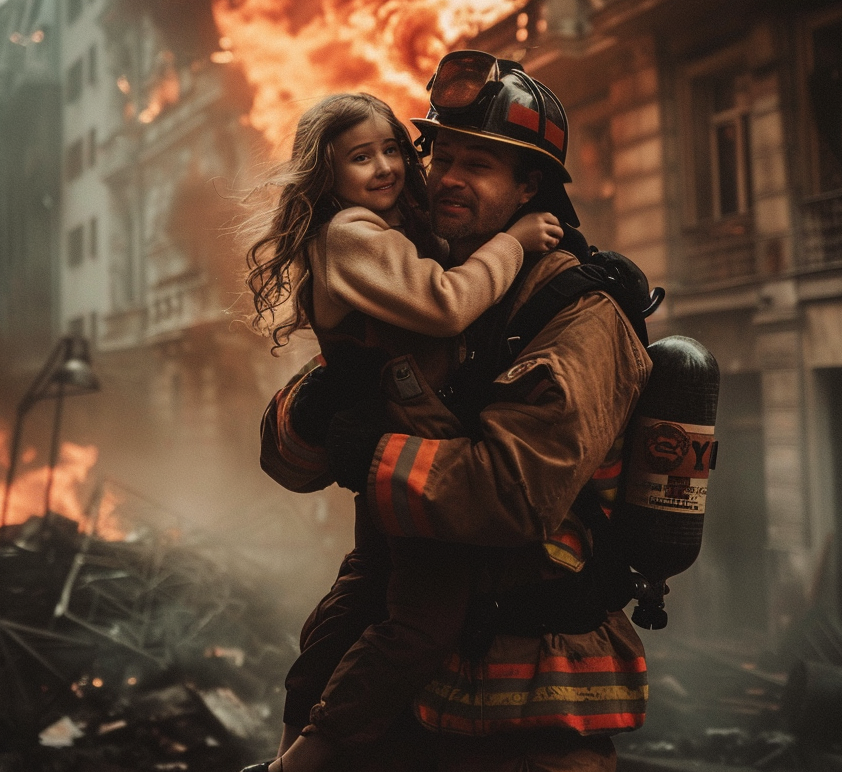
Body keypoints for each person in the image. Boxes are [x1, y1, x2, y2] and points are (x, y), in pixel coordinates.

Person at [263, 52, 654, 772]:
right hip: (412, 704)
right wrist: (321, 404)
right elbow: (297, 458)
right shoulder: (436, 282)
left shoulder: (579, 314)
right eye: (441, 155)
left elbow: (512, 493)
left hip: (530, 709)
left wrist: (372, 452)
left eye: (478, 165)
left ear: (530, 185)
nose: (445, 178)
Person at [245, 91, 563, 772]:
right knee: (421, 622)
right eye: (362, 157)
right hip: (411, 454)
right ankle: (308, 756)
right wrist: (514, 241)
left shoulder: (379, 229)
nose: (387, 166)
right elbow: (444, 303)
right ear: (324, 173)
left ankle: (294, 738)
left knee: (365, 591)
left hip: (402, 447)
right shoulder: (353, 234)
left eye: (394, 148)